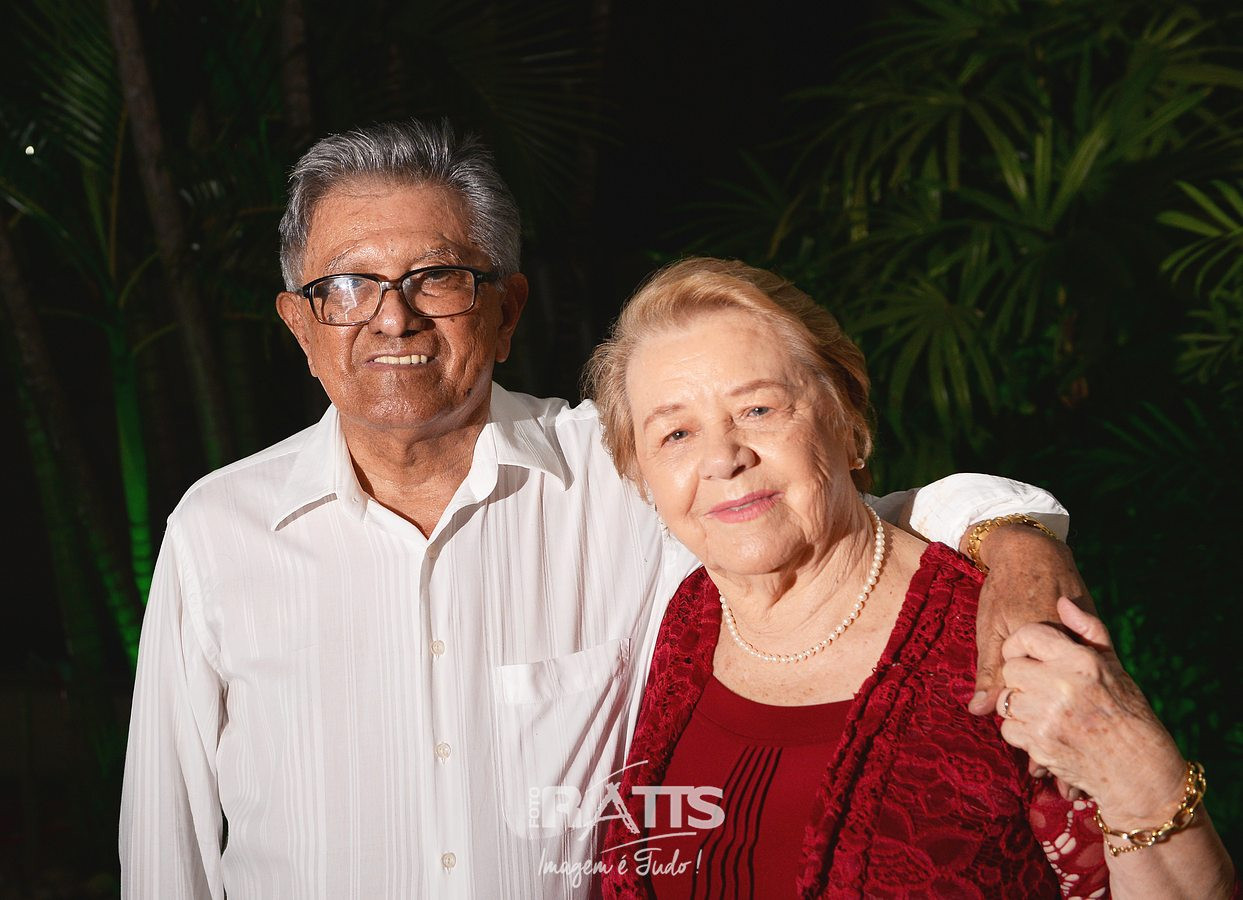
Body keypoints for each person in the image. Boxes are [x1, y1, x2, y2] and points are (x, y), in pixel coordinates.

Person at [119, 120, 1089, 899]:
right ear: (301, 322)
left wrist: (1014, 541)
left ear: (506, 310)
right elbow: (167, 848)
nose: (393, 317)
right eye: (347, 287)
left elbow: (825, 511)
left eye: (437, 278)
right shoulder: (218, 531)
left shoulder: (622, 469)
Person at [585, 258, 1236, 898]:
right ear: (640, 477)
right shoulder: (688, 617)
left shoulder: (997, 634)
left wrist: (1139, 774)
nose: (722, 458)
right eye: (676, 434)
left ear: (848, 425)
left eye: (758, 409)